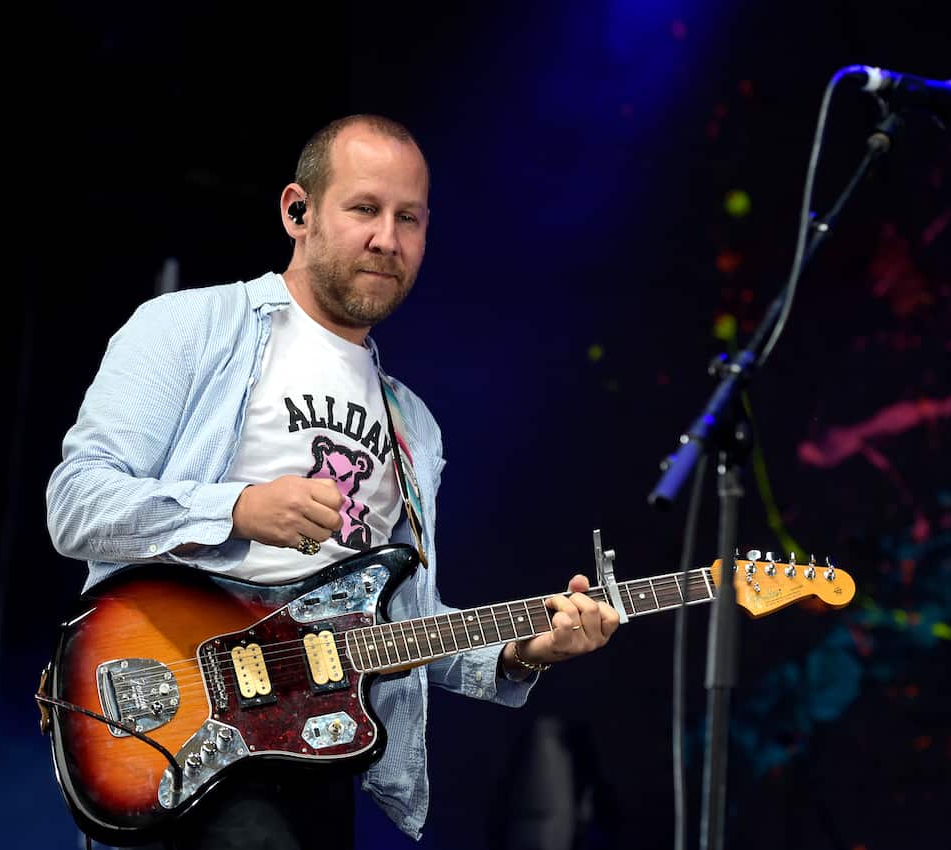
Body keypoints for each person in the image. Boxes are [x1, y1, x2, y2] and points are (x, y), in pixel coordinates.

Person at [46, 114, 620, 849]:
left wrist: (520, 651)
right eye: (365, 209)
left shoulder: (415, 424)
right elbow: (77, 503)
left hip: (318, 745)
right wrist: (240, 508)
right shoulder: (190, 328)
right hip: (181, 724)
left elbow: (394, 622)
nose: (388, 238)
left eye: (408, 218)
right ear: (298, 211)